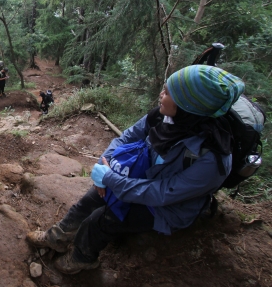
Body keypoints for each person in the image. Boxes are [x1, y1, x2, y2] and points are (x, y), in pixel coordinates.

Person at [26, 65, 244, 274]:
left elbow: (162, 193)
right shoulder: (164, 117)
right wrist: (106, 163)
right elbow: (127, 137)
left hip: (166, 208)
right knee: (89, 200)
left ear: (188, 105)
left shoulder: (212, 160)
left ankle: (82, 259)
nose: (161, 94)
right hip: (139, 178)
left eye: (168, 92)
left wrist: (112, 180)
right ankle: (57, 237)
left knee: (101, 220)